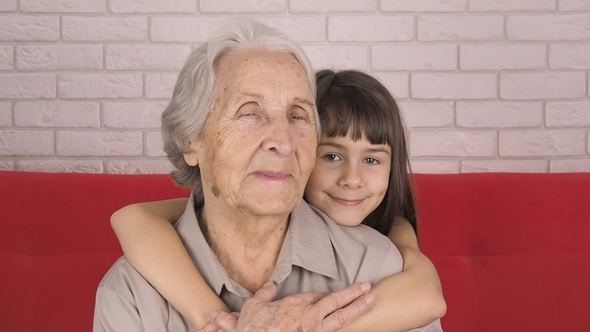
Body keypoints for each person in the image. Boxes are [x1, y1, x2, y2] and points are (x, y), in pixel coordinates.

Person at [93, 18, 433, 332]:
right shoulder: (130, 294)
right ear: (190, 140)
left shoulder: (377, 265)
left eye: (298, 116)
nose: (283, 142)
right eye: (250, 113)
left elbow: (428, 295)